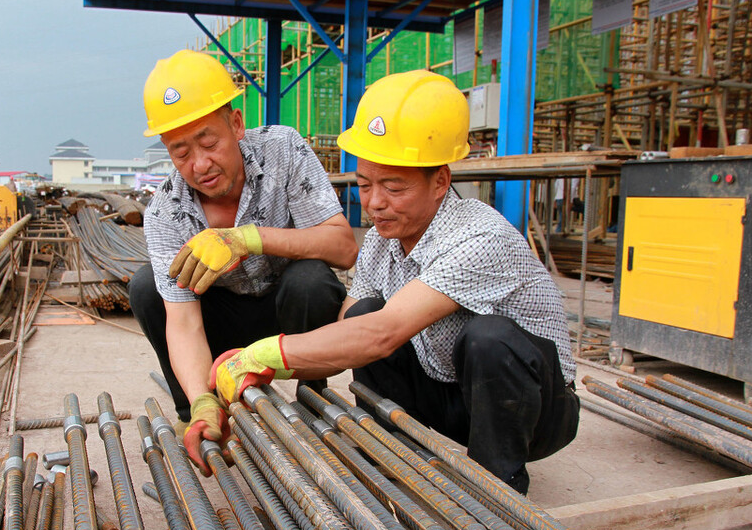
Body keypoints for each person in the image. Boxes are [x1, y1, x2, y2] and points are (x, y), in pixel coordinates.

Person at [212, 70, 579, 495]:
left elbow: (384, 335)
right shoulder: (381, 245)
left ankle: (498, 490)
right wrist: (252, 372)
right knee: (364, 317)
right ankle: (388, 456)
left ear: (440, 181)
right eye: (365, 185)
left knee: (487, 339)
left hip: (534, 412)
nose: (375, 202)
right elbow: (352, 334)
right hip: (451, 394)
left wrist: (265, 353)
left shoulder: (482, 237)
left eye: (393, 187)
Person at [130, 49, 359, 473]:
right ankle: (199, 411)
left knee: (312, 280)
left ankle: (312, 403)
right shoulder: (165, 212)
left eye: (208, 142)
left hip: (288, 316)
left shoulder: (283, 150)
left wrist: (248, 240)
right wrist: (202, 400)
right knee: (147, 288)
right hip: (224, 322)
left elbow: (344, 247)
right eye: (180, 153)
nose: (200, 164)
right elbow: (183, 323)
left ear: (235, 124)